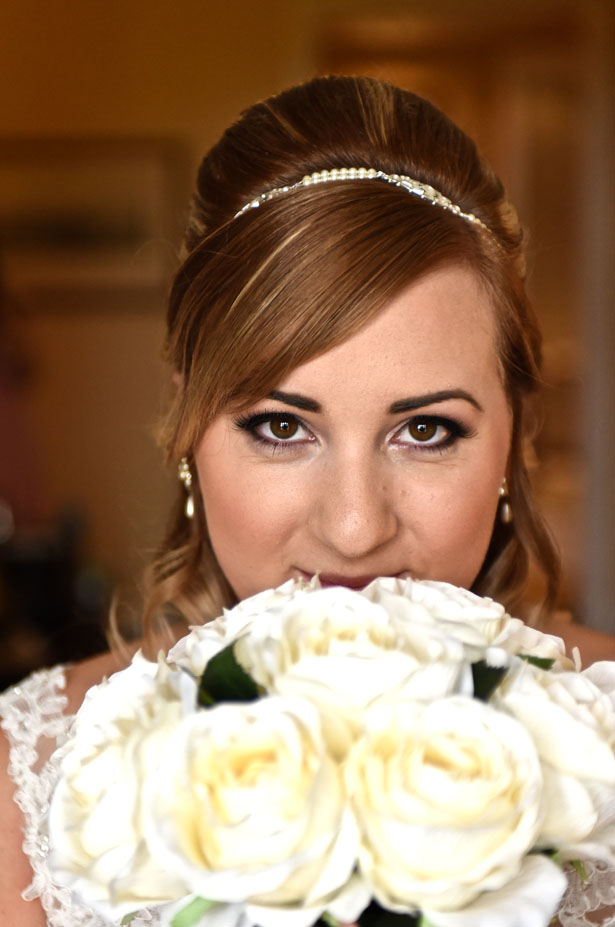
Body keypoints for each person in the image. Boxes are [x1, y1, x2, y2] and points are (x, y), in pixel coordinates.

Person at [0, 75, 613, 927]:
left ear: (515, 434)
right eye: (282, 426)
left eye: (427, 430)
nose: (356, 527)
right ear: (188, 421)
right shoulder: (22, 787)